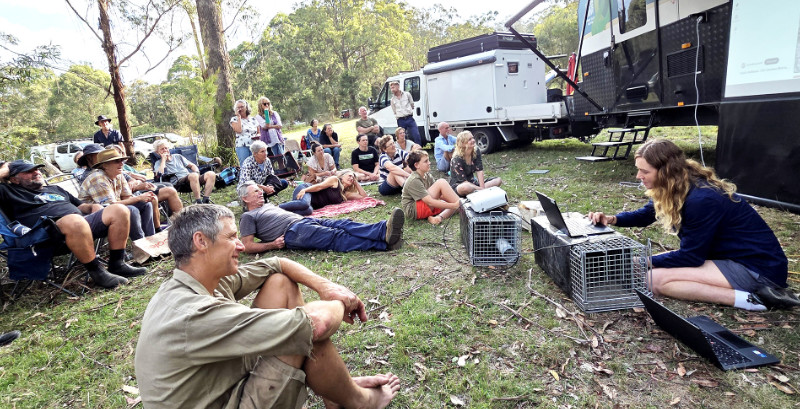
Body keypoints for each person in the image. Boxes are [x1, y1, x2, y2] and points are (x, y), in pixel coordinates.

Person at [135, 205, 402, 409]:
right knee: (301, 331)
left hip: (216, 388)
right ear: (201, 242)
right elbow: (314, 325)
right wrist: (339, 303)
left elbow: (277, 264)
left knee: (281, 284)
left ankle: (336, 391)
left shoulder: (202, 280)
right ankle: (358, 401)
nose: (241, 245)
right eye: (231, 237)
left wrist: (327, 287)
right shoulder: (192, 313)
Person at [588, 139, 797, 311]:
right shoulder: (678, 182)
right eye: (638, 170)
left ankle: (754, 300)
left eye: (645, 172)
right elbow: (646, 214)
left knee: (654, 280)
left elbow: (691, 256)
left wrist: (644, 261)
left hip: (757, 268)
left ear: (665, 171)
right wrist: (612, 219)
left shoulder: (702, 199)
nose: (638, 176)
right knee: (649, 269)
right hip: (726, 258)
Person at [0, 160, 145, 289]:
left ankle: (117, 264)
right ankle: (98, 272)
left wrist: (92, 207)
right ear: (14, 179)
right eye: (28, 171)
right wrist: (9, 167)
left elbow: (81, 206)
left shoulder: (55, 189)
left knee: (119, 210)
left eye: (36, 169)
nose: (36, 172)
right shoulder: (8, 191)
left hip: (81, 224)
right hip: (47, 235)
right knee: (73, 220)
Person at [240, 181, 404, 252]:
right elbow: (247, 246)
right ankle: (384, 243)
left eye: (260, 190)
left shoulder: (268, 206)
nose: (261, 193)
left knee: (342, 224)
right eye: (256, 191)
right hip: (292, 233)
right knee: (336, 237)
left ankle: (383, 230)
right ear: (245, 198)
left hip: (303, 222)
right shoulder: (248, 216)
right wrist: (272, 245)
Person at [79, 147, 161, 239]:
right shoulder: (98, 178)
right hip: (93, 216)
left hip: (113, 208)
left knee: (146, 204)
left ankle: (151, 240)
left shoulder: (118, 174)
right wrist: (139, 197)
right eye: (117, 161)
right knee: (131, 210)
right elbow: (110, 205)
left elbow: (127, 197)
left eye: (122, 160)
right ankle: (140, 246)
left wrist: (144, 198)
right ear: (105, 165)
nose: (122, 164)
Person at [401, 150, 461, 225]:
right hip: (413, 210)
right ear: (416, 165)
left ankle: (438, 218)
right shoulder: (414, 179)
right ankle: (462, 206)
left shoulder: (427, 175)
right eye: (426, 161)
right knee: (441, 182)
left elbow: (439, 194)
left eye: (428, 160)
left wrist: (452, 203)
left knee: (453, 206)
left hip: (424, 204)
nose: (429, 163)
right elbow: (429, 201)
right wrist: (454, 205)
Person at [153, 139, 216, 204]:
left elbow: (192, 165)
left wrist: (197, 172)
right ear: (157, 152)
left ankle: (205, 200)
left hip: (192, 179)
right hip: (178, 183)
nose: (165, 150)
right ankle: (198, 201)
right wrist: (163, 160)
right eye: (162, 149)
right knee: (193, 175)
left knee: (211, 174)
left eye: (166, 148)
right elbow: (159, 175)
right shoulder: (158, 163)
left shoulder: (178, 156)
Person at [279, 170, 367, 216]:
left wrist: (356, 182)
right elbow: (320, 186)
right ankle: (275, 208)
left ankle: (283, 213)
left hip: (311, 204)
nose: (352, 178)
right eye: (350, 175)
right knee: (304, 204)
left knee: (308, 211)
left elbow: (364, 197)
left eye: (353, 178)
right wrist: (305, 190)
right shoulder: (335, 180)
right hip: (307, 190)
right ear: (343, 175)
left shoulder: (345, 194)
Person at [449, 131, 503, 196]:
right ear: (463, 144)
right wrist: (481, 190)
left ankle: (477, 192)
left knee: (498, 180)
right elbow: (463, 181)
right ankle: (480, 192)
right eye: (469, 139)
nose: (473, 140)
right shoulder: (457, 159)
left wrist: (482, 187)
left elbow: (479, 170)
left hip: (473, 183)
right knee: (465, 187)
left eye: (472, 138)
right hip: (460, 185)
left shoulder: (476, 151)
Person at [390, 80, 421, 145]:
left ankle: (418, 150)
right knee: (402, 137)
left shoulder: (407, 94)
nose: (392, 90)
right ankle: (404, 150)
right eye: (391, 88)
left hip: (409, 118)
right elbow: (394, 110)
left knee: (416, 134)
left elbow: (412, 104)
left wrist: (408, 111)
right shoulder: (392, 100)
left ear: (398, 86)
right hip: (400, 120)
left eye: (393, 87)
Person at [230, 99, 260, 165]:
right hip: (242, 146)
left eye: (242, 107)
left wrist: (257, 136)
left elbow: (258, 132)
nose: (240, 109)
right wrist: (239, 117)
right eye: (238, 107)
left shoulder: (253, 119)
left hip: (254, 145)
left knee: (255, 164)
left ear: (246, 107)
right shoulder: (234, 119)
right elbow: (239, 130)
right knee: (245, 165)